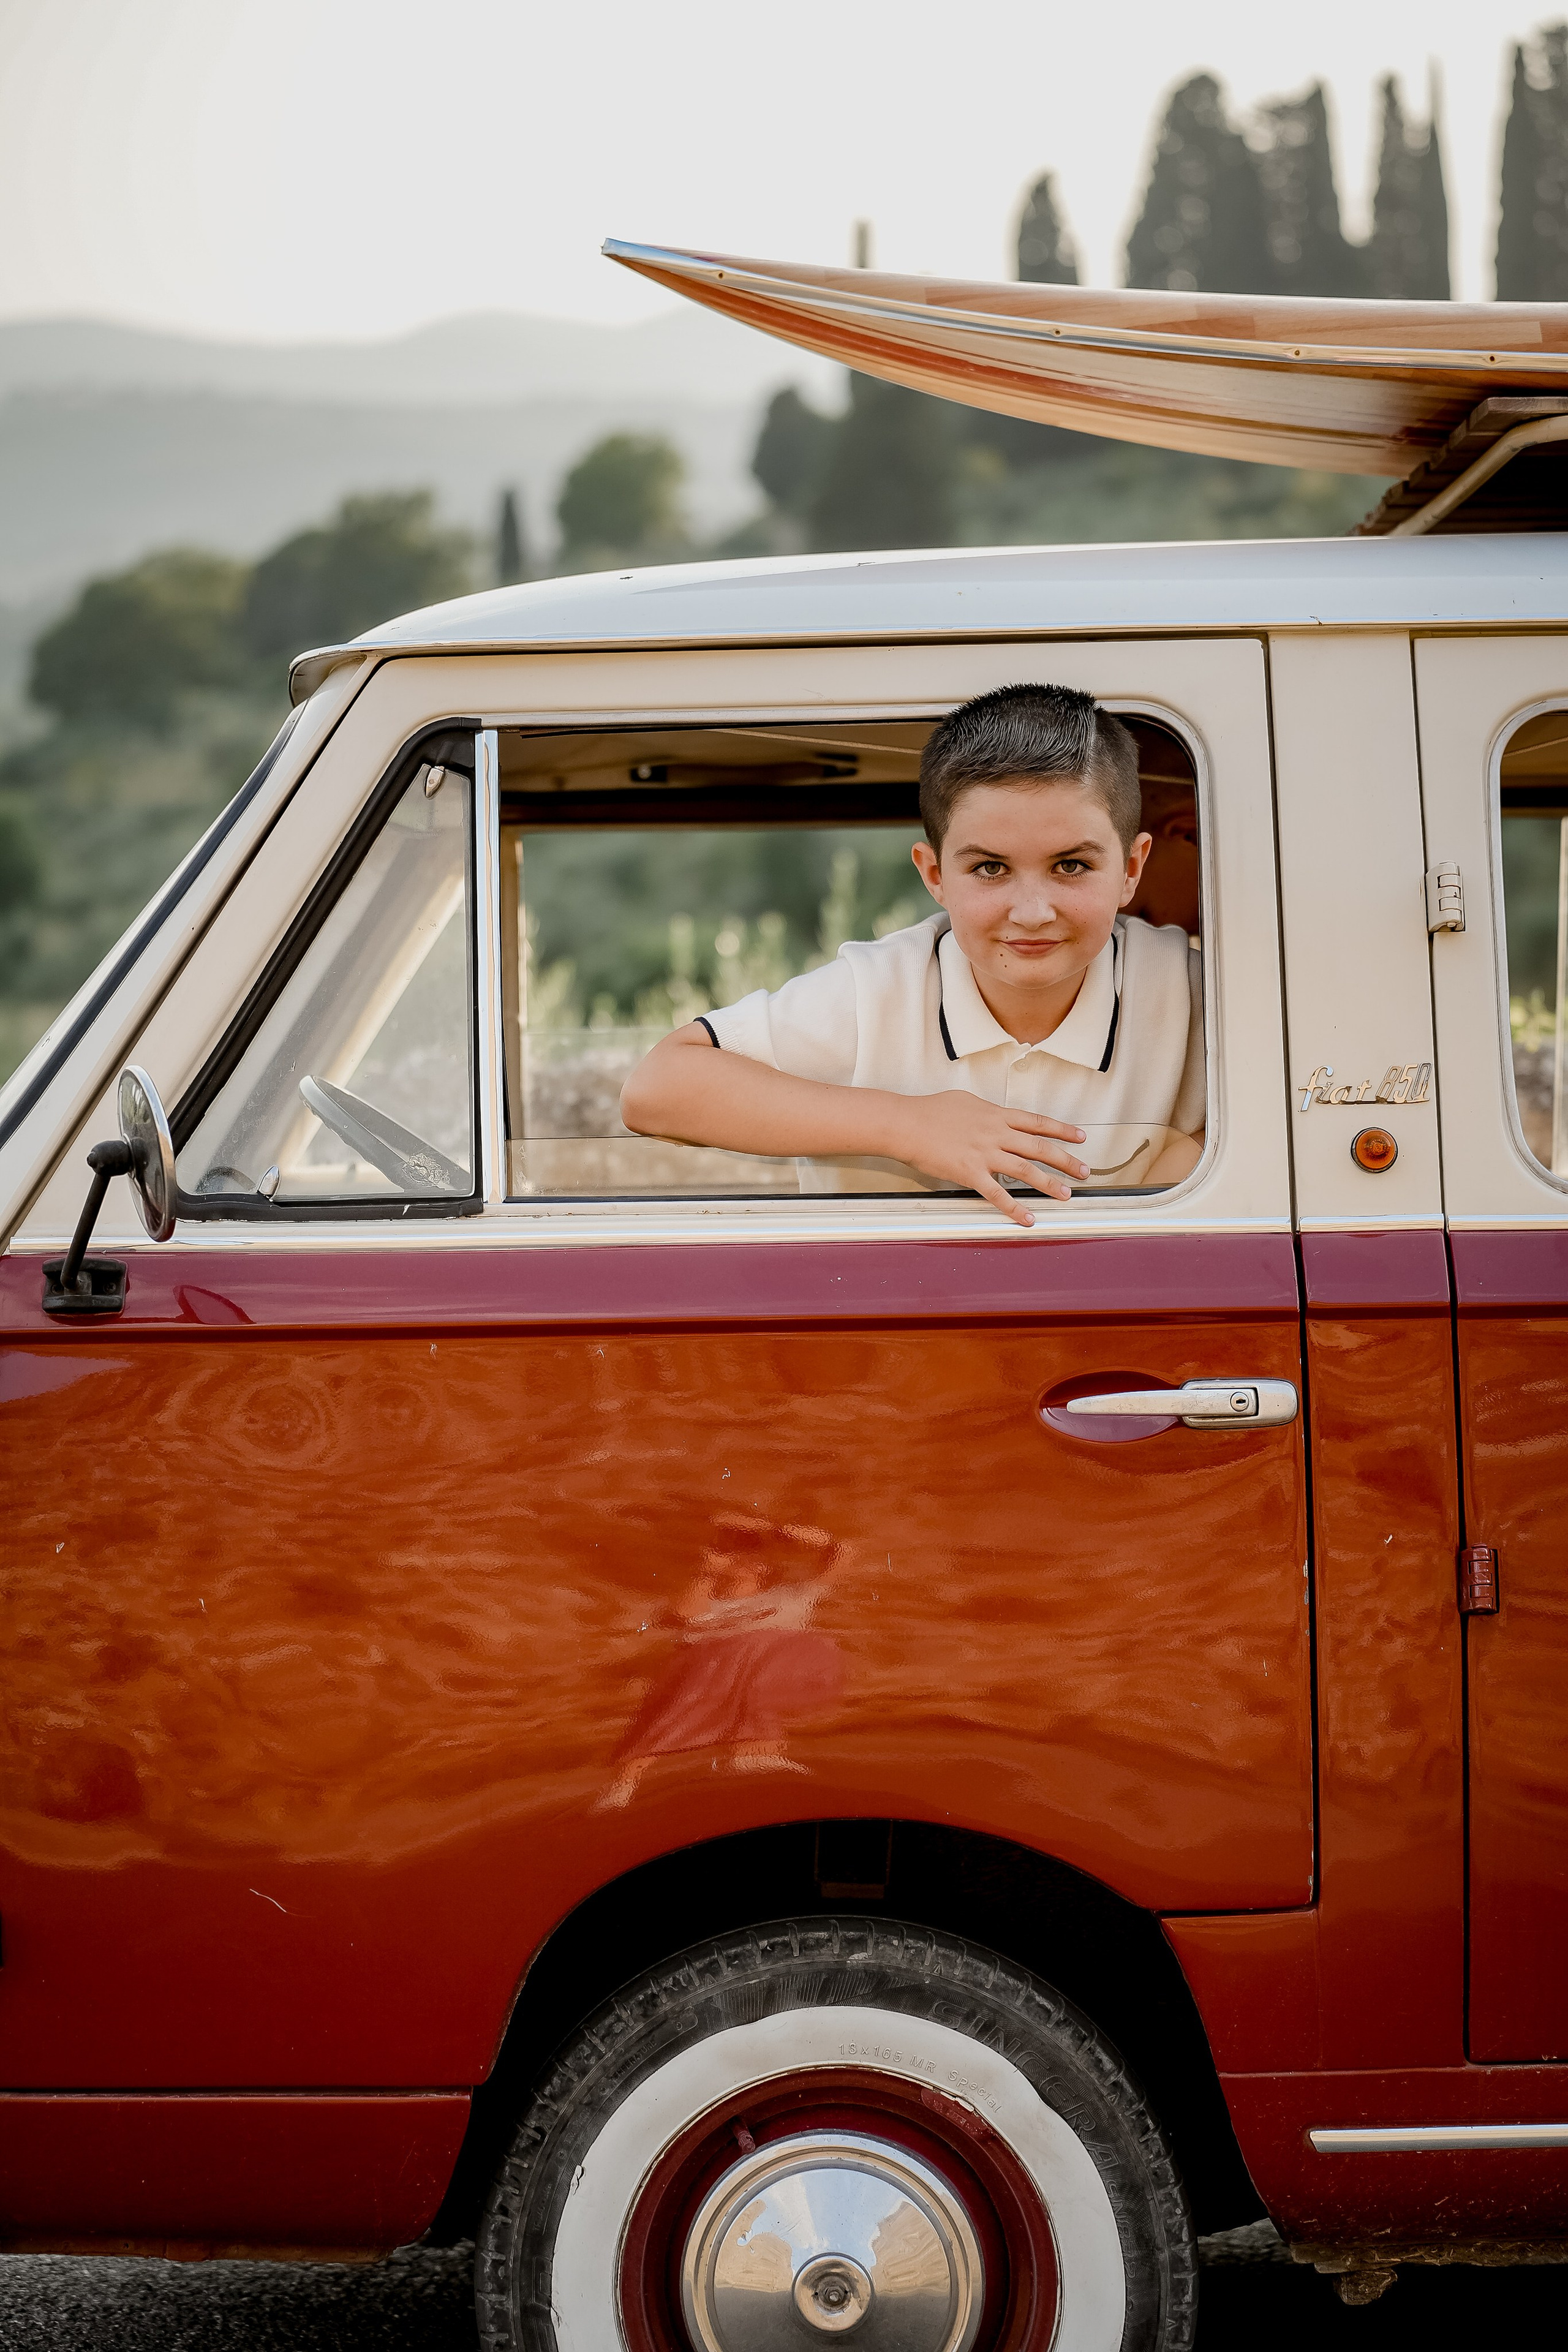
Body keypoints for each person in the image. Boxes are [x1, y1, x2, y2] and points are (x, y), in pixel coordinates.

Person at [620, 683, 1205, 1226]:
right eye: (990, 868)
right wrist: (906, 1124)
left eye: (1071, 866)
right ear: (935, 875)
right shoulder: (877, 991)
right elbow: (657, 1089)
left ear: (1131, 868)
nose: (1031, 911)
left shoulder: (1196, 994)